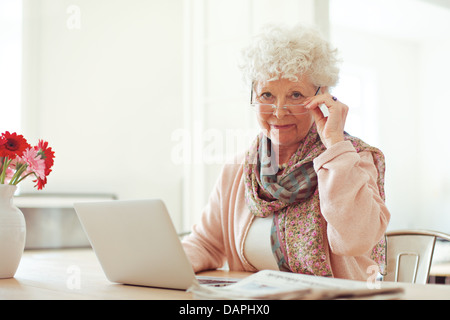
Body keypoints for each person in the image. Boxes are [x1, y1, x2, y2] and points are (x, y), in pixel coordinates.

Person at [182, 24, 390, 281]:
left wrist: (335, 144)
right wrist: (160, 264)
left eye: (295, 95)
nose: (279, 111)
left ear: (322, 95)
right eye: (267, 94)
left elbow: (355, 240)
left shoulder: (352, 159)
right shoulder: (239, 169)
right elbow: (206, 244)